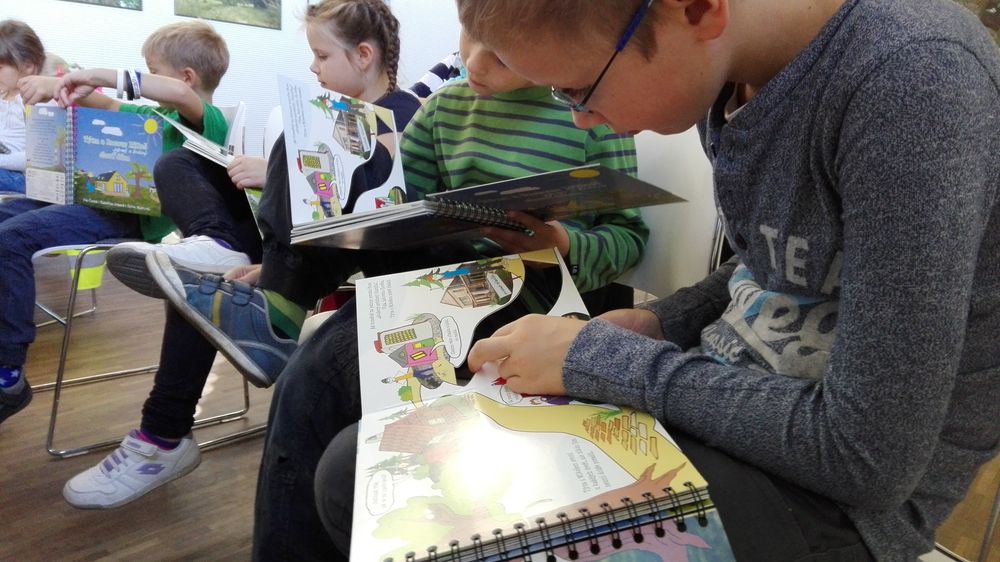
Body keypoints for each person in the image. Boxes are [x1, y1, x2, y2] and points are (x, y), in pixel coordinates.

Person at [365, 0, 1000, 560]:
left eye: (579, 89)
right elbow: (776, 259)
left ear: (696, 8)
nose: (580, 121)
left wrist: (604, 361)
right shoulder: (727, 75)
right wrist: (662, 320)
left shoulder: (915, 79)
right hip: (727, 395)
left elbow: (866, 459)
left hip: (839, 497)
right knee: (363, 455)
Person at [144, 27, 647, 560]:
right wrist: (282, 264)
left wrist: (562, 242)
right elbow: (397, 206)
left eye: (499, 53)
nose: (474, 61)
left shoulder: (587, 113)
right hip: (432, 276)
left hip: (522, 293)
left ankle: (279, 315)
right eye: (469, 37)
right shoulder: (447, 107)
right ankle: (280, 306)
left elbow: (628, 239)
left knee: (312, 383)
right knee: (313, 142)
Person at [57, 0, 419, 511]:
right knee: (179, 166)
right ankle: (216, 247)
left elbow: (370, 217)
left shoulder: (402, 116)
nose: (313, 67)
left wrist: (276, 184)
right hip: (285, 244)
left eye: (321, 56)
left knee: (286, 155)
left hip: (326, 255)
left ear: (364, 55)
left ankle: (169, 429)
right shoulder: (342, 117)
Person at [0, 20, 231, 433]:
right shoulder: (153, 115)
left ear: (185, 77)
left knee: (11, 239)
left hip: (126, 218)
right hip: (96, 201)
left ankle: (8, 371)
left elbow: (181, 96)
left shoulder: (207, 122)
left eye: (151, 70)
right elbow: (107, 107)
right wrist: (66, 87)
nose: (146, 77)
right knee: (7, 221)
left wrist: (95, 74)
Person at [0, 20, 45, 196]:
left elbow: (36, 157)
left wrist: (2, 160)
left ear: (27, 66)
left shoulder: (36, 102)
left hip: (20, 177)